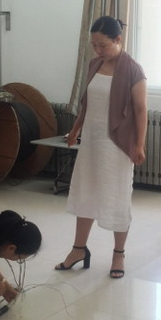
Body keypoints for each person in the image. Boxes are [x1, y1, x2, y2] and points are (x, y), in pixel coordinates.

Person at [55, 16, 147, 279]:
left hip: (117, 143)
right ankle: (78, 249)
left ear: (118, 40)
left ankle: (119, 254)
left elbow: (141, 109)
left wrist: (139, 144)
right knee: (85, 191)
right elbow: (87, 103)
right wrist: (75, 129)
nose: (98, 50)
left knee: (118, 195)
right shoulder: (95, 64)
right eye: (94, 45)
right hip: (92, 141)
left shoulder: (133, 70)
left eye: (103, 45)